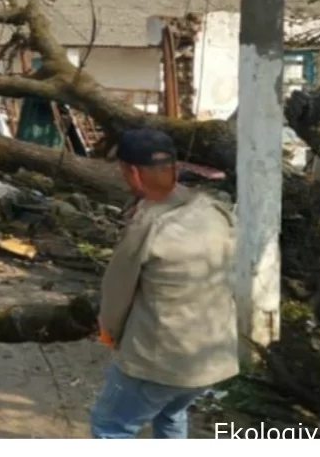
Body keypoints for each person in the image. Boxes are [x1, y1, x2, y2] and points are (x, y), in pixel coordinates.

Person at [90, 128, 239, 439]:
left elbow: (116, 292)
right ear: (174, 166)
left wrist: (109, 332)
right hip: (213, 357)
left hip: (161, 359)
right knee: (171, 416)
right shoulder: (214, 210)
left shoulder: (149, 224)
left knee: (111, 426)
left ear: (130, 171)